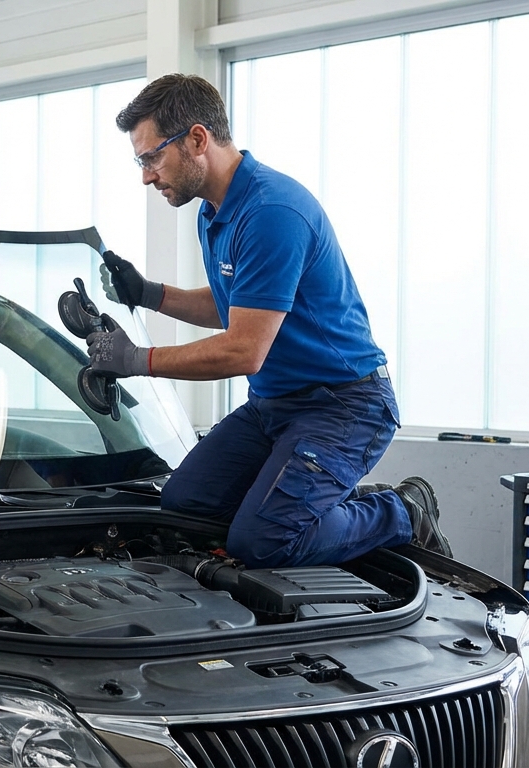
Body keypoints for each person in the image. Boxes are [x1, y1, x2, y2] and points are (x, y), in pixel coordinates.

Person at [87, 73, 452, 568]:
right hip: (274, 406)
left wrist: (137, 360)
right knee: (183, 508)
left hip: (344, 406)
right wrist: (151, 295)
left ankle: (403, 509)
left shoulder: (271, 210)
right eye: (141, 160)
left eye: (152, 157)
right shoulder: (215, 211)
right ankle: (302, 502)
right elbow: (241, 305)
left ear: (197, 139)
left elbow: (244, 347)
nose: (147, 176)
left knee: (263, 542)